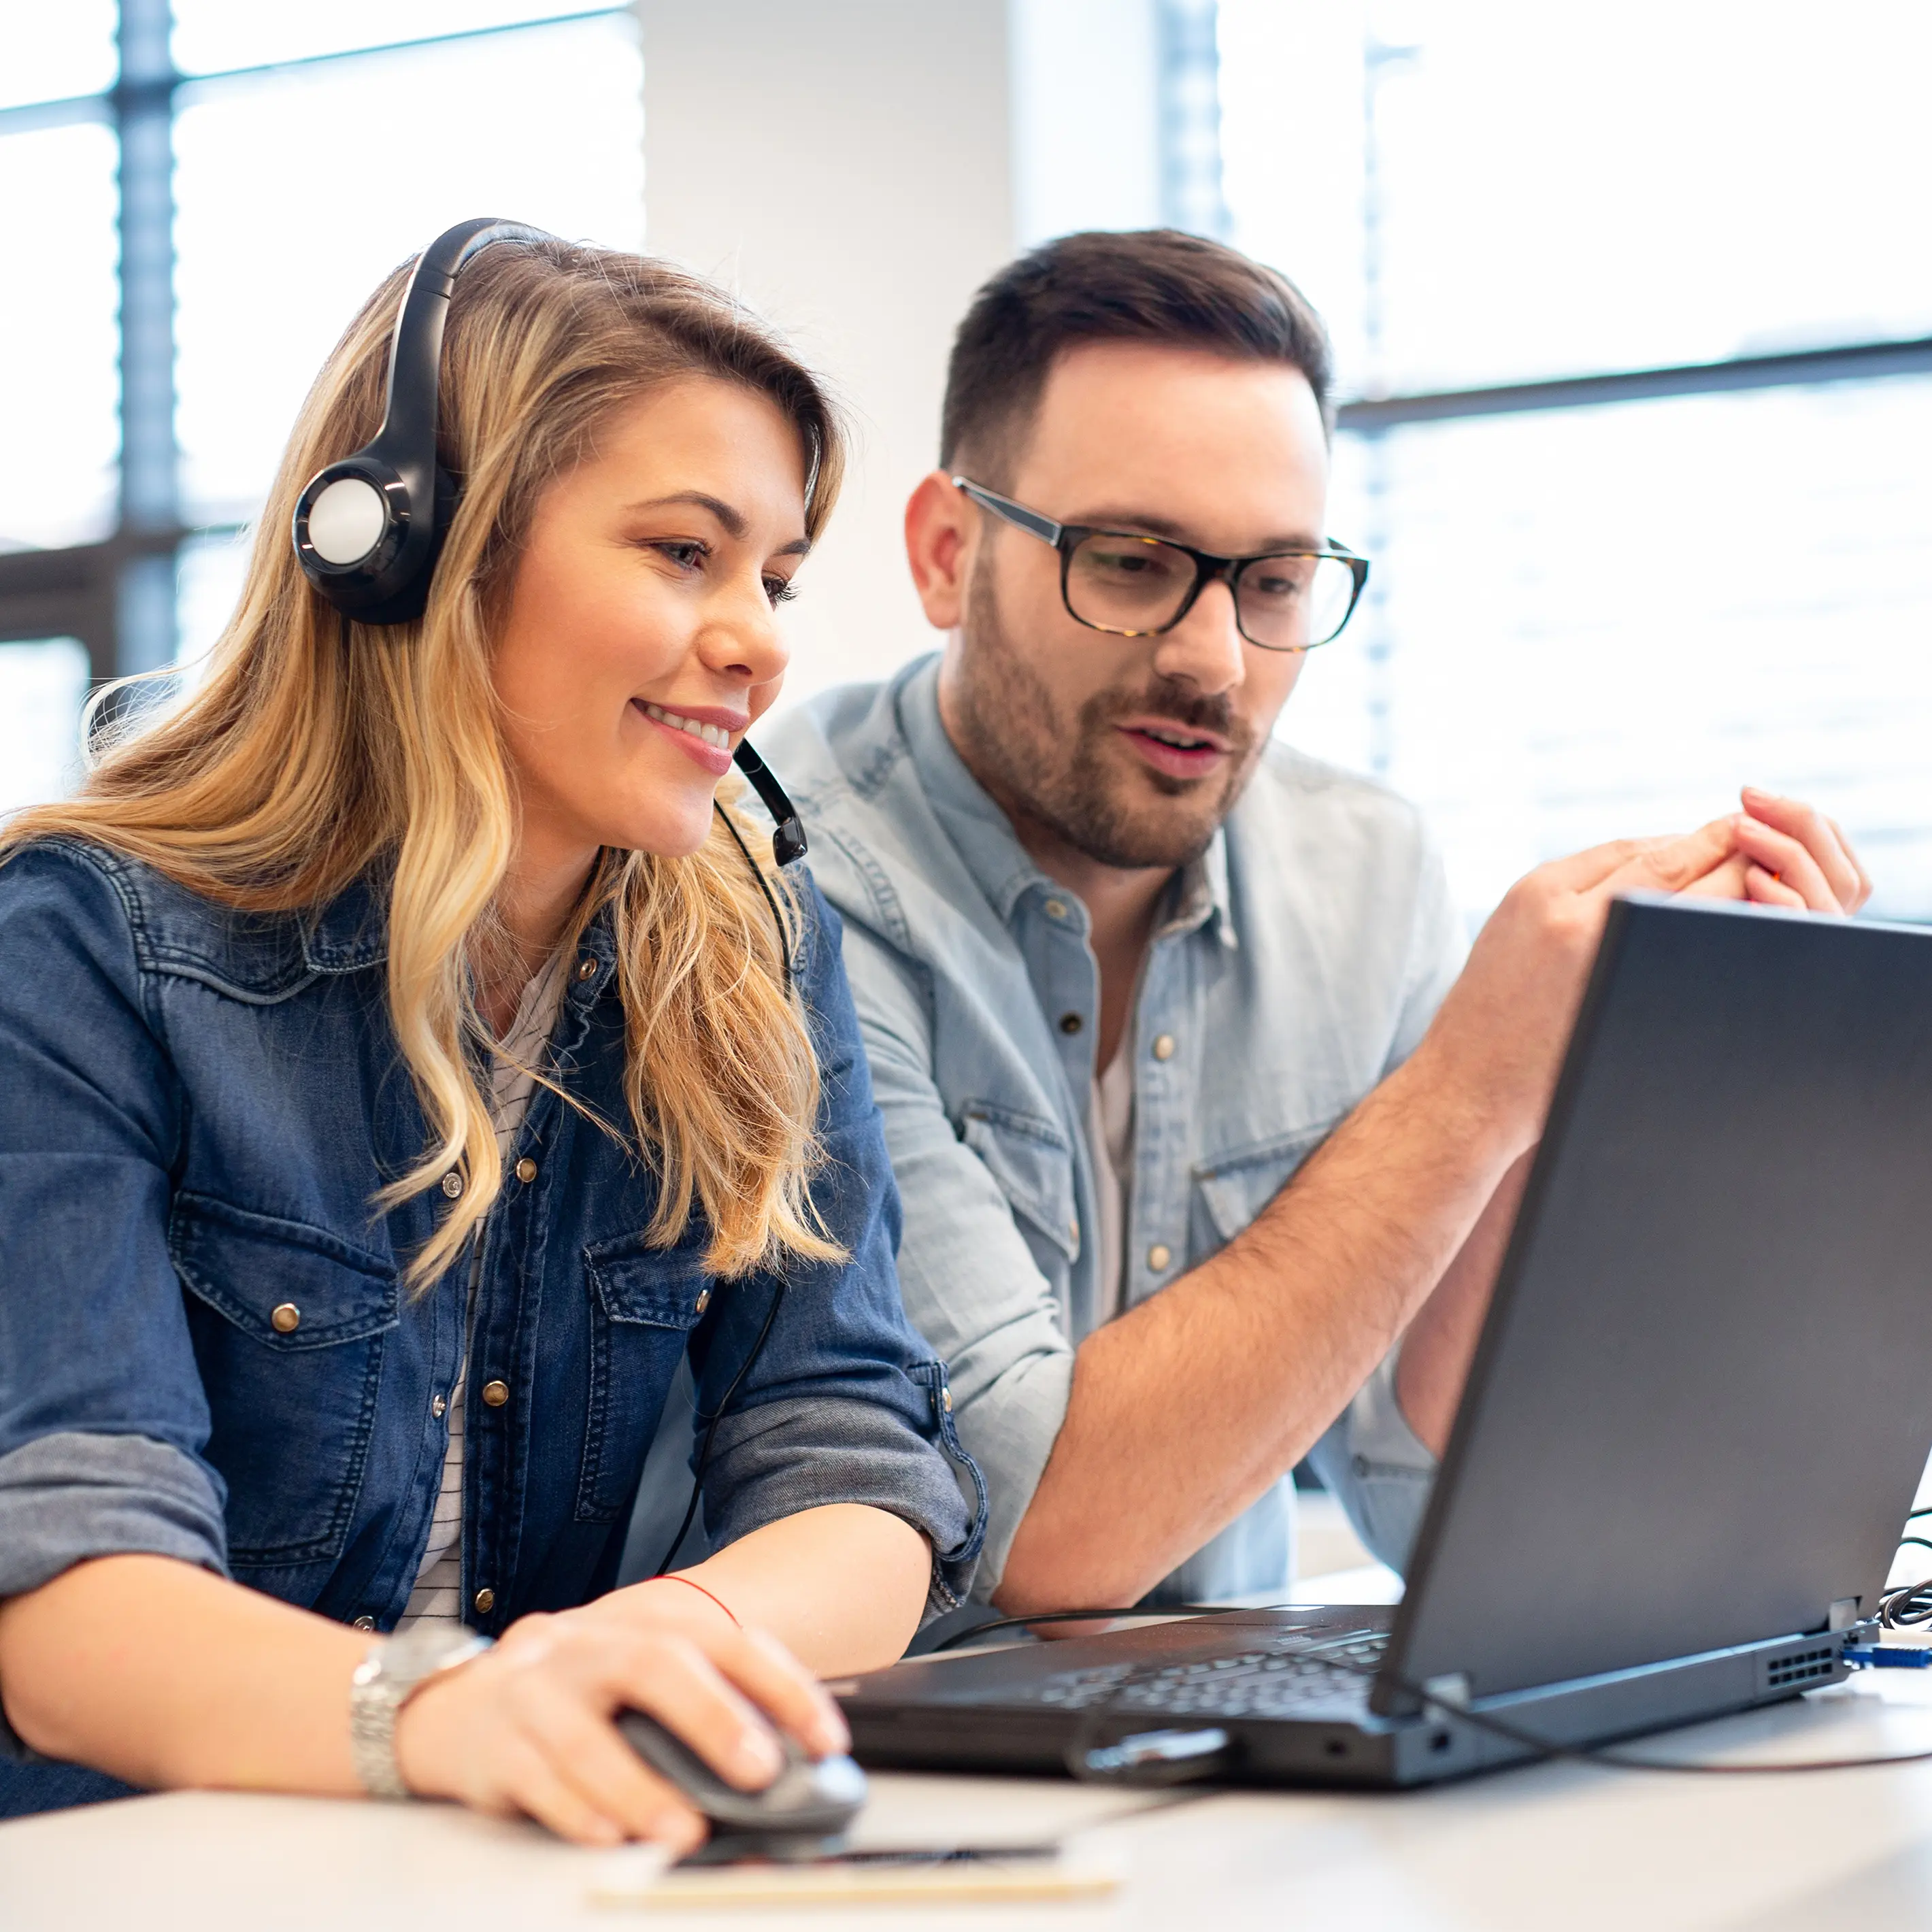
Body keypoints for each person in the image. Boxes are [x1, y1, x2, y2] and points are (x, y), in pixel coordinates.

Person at [0, 233, 981, 1844]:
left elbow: (853, 1452)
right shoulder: (87, 942)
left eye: (776, 577)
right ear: (410, 552)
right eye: (683, 552)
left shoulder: (743, 951)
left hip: (517, 1855)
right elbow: (68, 1593)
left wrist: (681, 1654)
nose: (761, 638)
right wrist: (464, 1710)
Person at [759, 229, 1871, 1625]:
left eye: (1275, 582)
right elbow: (1029, 1534)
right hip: (885, 1778)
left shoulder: (1365, 869)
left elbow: (1433, 1493)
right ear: (945, 552)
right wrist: (1462, 1094)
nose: (1213, 660)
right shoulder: (783, 889)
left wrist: (1572, 1092)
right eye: (1131, 561)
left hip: (1227, 1762)